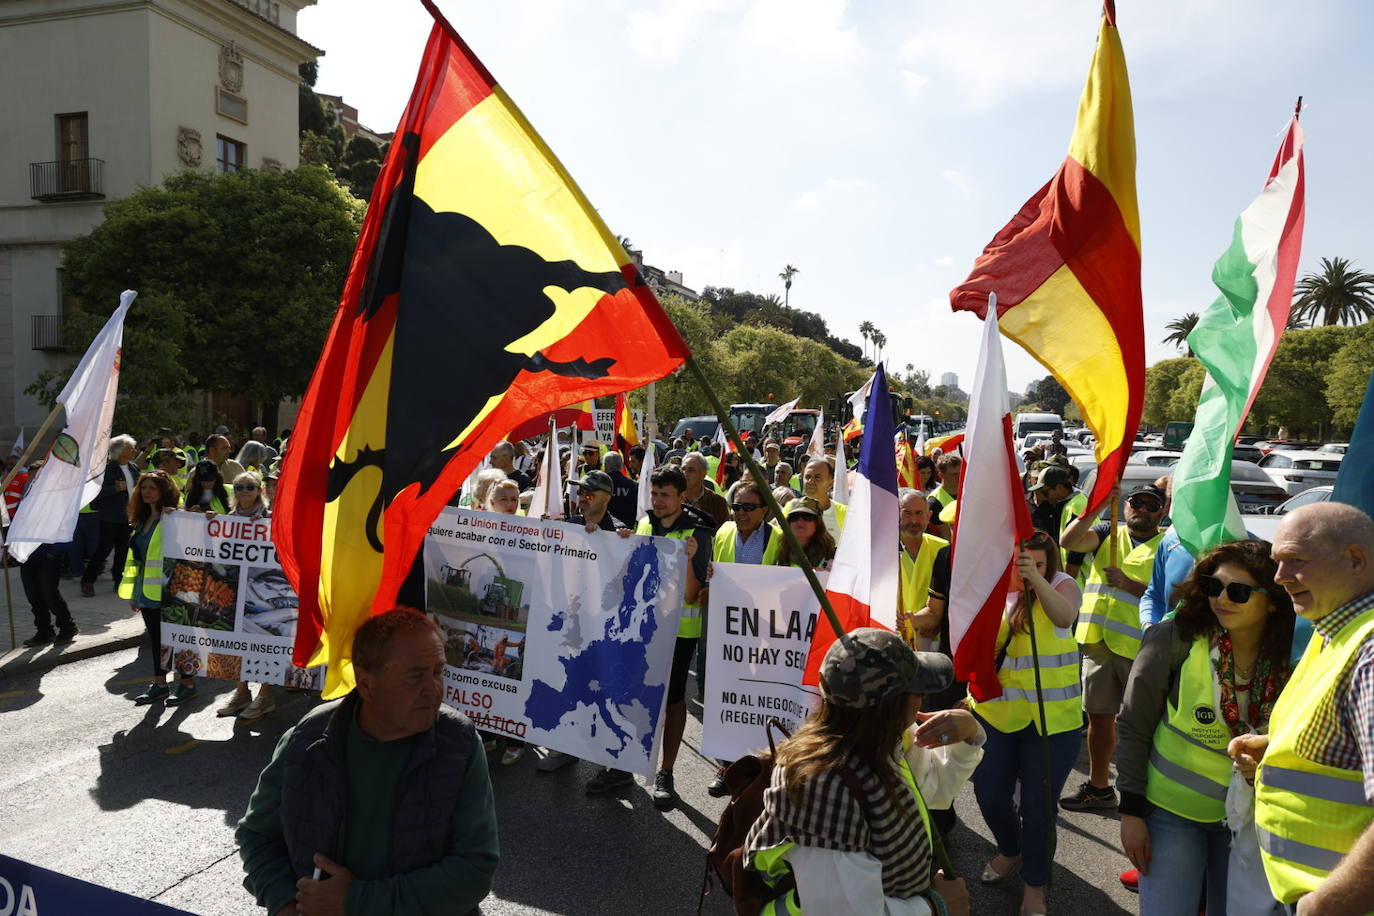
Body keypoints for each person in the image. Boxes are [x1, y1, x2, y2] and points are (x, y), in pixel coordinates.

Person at [236, 609, 499, 916]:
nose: (433, 689)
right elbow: (257, 836)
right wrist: (284, 904)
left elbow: (474, 871)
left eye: (438, 672)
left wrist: (355, 902)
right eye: (416, 675)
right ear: (366, 683)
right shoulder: (305, 741)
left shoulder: (460, 744)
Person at [1114, 539, 1294, 915]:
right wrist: (1131, 812)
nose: (1221, 599)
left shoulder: (1294, 656)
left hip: (1251, 821)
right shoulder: (1173, 639)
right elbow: (1132, 725)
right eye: (1213, 586)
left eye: (1239, 591)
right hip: (1171, 815)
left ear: (1273, 599)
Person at [743, 628, 977, 915]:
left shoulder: (883, 744)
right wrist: (935, 907)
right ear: (891, 707)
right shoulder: (822, 788)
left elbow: (936, 795)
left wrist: (969, 733)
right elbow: (840, 910)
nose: (922, 701)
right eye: (917, 691)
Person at [1234, 504, 1374, 915]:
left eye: (1296, 560)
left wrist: (1325, 905)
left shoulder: (1367, 651)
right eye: (1278, 562)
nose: (1279, 578)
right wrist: (1275, 752)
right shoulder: (1333, 627)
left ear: (1355, 559)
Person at [967, 532, 1083, 916]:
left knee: (1038, 805)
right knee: (988, 792)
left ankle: (1035, 886)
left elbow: (1065, 617)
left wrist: (1035, 579)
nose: (1030, 568)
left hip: (1054, 722)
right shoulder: (995, 590)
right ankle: (1011, 849)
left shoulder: (1063, 585)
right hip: (999, 716)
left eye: (1039, 563)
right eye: (1023, 562)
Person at [1059, 483, 1168, 811]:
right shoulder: (1108, 531)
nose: (1143, 510)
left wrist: (1131, 585)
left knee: (1143, 724)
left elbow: (1179, 595)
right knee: (1099, 719)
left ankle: (1147, 795)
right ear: (1126, 505)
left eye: (1152, 506)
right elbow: (1069, 541)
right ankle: (1099, 786)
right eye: (1137, 503)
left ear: (1163, 511)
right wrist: (1100, 502)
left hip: (1144, 648)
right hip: (1098, 642)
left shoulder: (1170, 543)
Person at [634, 465, 712, 810]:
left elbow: (694, 595)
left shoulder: (697, 532)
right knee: (637, 693)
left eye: (665, 495)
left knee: (673, 698)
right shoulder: (645, 523)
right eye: (654, 493)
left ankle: (666, 771)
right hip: (643, 626)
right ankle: (624, 762)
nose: (658, 500)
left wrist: (692, 559)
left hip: (681, 630)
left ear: (683, 497)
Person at [123, 471, 197, 705]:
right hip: (146, 592)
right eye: (143, 488)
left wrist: (187, 515)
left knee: (180, 639)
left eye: (152, 488)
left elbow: (196, 535)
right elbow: (135, 560)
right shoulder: (140, 520)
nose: (146, 492)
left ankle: (187, 685)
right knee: (157, 641)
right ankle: (160, 685)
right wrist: (134, 593)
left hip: (174, 592)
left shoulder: (174, 516)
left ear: (164, 492)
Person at [215, 473, 278, 722]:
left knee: (263, 643)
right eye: (239, 487)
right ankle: (241, 692)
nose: (243, 491)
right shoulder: (227, 520)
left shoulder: (271, 518)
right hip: (233, 589)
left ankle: (265, 696)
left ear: (259, 490)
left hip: (262, 591)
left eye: (249, 487)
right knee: (236, 644)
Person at [80, 434, 139, 597]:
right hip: (109, 517)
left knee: (123, 550)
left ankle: (118, 581)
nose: (134, 450)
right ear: (120, 452)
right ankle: (88, 581)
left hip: (128, 517)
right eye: (130, 448)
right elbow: (95, 493)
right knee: (103, 550)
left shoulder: (133, 468)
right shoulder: (107, 469)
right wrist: (114, 488)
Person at [19, 537, 78, 647]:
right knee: (33, 596)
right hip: (27, 556)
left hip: (49, 555)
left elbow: (65, 528)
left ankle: (67, 627)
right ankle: (44, 631)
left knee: (49, 594)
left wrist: (55, 552)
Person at [800, 455, 847, 535]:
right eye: (808, 477)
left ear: (831, 483)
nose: (811, 481)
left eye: (817, 477)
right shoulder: (790, 509)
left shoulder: (845, 514)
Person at [681, 452, 729, 528]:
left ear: (703, 474)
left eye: (691, 470)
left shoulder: (718, 502)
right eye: (683, 469)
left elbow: (722, 533)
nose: (685, 473)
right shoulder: (672, 499)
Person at [926, 454, 962, 541]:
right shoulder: (933, 501)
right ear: (941, 475)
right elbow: (946, 536)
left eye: (961, 473)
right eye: (954, 474)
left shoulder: (967, 493)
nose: (959, 477)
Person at [601, 451, 638, 524]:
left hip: (604, 529)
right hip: (627, 531)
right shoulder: (633, 485)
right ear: (621, 466)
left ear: (605, 466)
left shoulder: (600, 484)